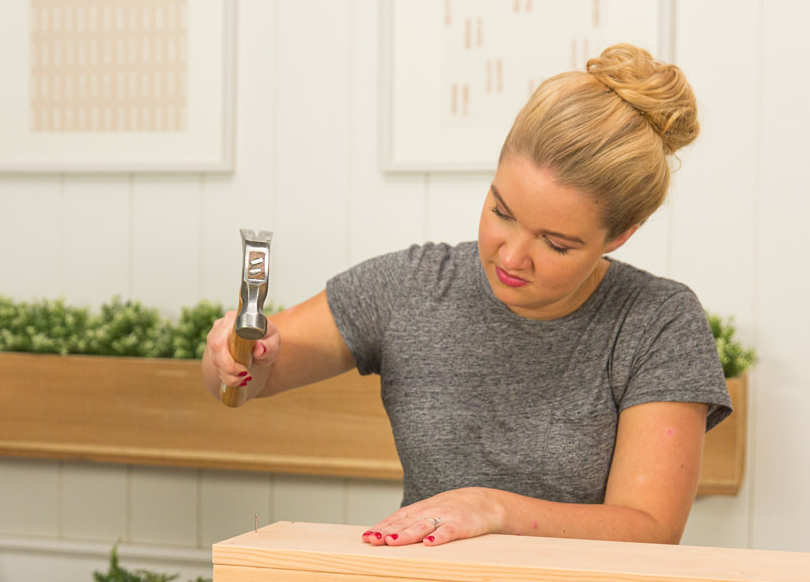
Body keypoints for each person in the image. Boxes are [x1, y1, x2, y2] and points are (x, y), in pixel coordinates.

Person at [202, 43, 731, 548]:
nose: (512, 255)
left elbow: (650, 527)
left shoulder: (658, 322)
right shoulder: (413, 285)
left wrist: (491, 510)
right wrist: (231, 358)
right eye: (502, 212)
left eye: (555, 243)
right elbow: (251, 379)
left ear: (620, 236)